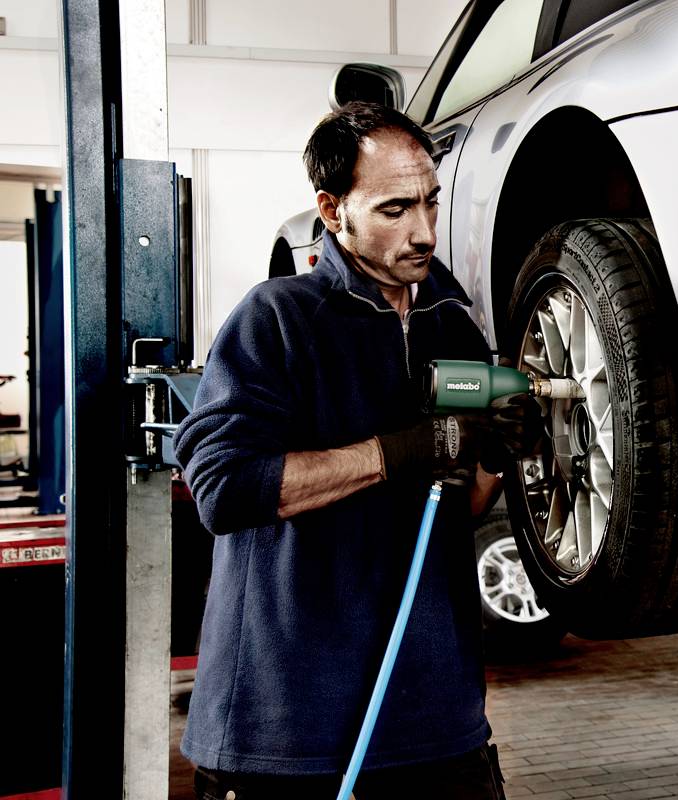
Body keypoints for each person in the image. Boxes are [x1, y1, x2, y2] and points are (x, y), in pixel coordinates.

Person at [175, 101, 539, 800]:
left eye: (430, 202)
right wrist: (399, 451)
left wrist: (496, 454)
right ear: (332, 209)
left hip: (438, 726)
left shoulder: (452, 327)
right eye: (394, 210)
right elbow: (226, 490)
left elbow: (457, 508)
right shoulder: (278, 319)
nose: (424, 232)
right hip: (288, 734)